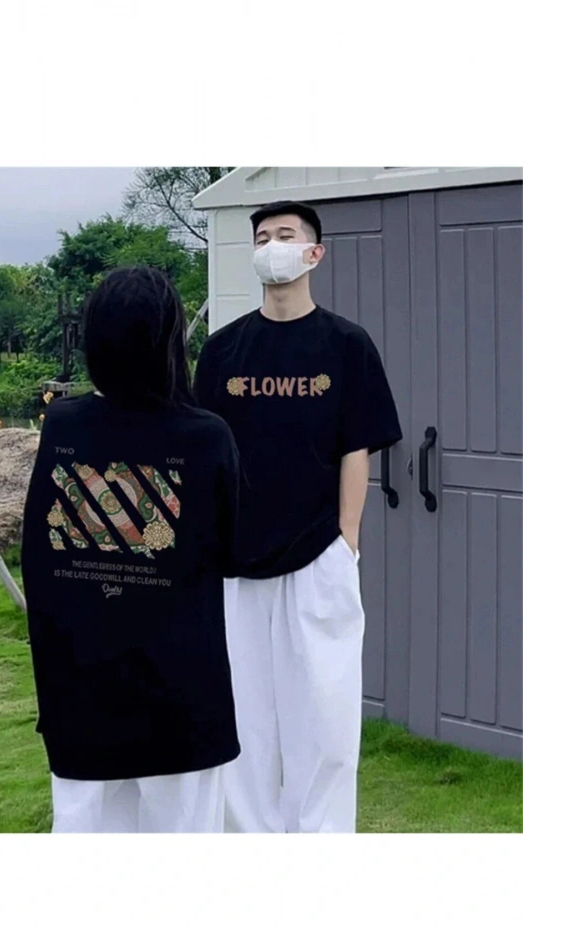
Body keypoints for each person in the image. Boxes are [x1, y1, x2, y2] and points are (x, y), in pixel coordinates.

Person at [193, 200, 402, 833]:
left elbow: (357, 448)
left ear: (314, 253)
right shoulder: (222, 351)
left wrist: (347, 540)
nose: (272, 247)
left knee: (325, 719)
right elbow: (203, 454)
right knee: (245, 721)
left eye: (285, 235)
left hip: (318, 556)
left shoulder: (346, 346)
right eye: (262, 237)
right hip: (236, 564)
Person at [21, 266, 240, 833]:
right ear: (170, 342)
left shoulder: (62, 426)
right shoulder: (205, 437)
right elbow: (232, 549)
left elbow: (38, 555)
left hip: (79, 688)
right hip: (180, 696)